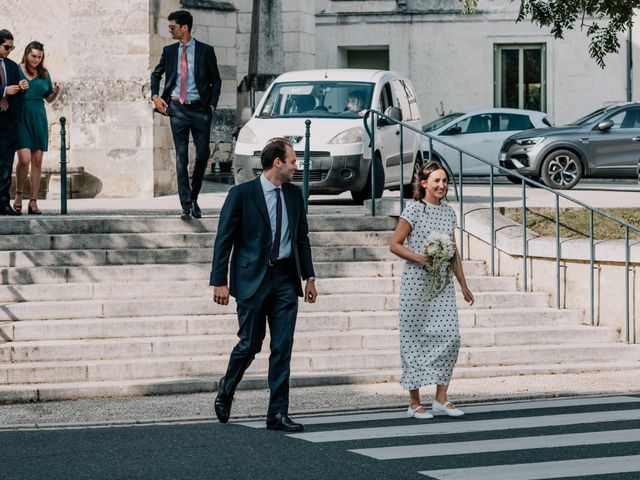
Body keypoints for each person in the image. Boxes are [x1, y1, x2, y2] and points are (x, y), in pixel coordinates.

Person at [210, 137, 317, 432]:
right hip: (252, 279)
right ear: (277, 162)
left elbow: (301, 239)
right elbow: (224, 239)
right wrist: (219, 281)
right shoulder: (242, 194)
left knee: (283, 346)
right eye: (293, 161)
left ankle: (277, 413)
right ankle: (227, 388)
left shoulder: (295, 196)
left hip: (285, 278)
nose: (297, 166)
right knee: (250, 344)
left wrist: (309, 277)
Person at [390, 161, 474, 419]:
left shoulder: (449, 213)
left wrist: (463, 284)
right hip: (416, 284)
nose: (442, 185)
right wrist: (420, 258)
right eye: (436, 181)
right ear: (424, 183)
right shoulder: (414, 209)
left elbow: (454, 251)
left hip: (442, 285)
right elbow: (395, 244)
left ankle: (441, 397)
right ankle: (414, 402)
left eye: (445, 181)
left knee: (451, 337)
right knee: (414, 339)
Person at [150, 10, 222, 220]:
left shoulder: (205, 51)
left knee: (202, 156)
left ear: (185, 28)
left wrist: (212, 106)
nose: (170, 30)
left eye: (173, 27)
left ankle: (194, 197)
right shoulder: (169, 51)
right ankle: (186, 205)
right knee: (182, 158)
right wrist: (155, 96)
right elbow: (156, 74)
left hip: (200, 110)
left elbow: (216, 80)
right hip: (177, 109)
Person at [14, 41, 59, 215]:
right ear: (26, 54)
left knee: (37, 161)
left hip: (38, 117)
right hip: (20, 116)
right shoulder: (15, 70)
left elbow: (48, 98)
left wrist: (55, 92)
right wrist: (18, 87)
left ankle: (33, 202)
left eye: (39, 57)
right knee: (24, 159)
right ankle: (18, 195)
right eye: (33, 56)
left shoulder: (44, 73)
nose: (36, 60)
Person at [0, 29, 28, 216]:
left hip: (7, 123)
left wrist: (22, 88)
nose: (10, 51)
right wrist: (2, 92)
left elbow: (16, 92)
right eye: (6, 47)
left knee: (5, 164)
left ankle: (3, 203)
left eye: (12, 48)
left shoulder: (11, 65)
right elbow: (5, 90)